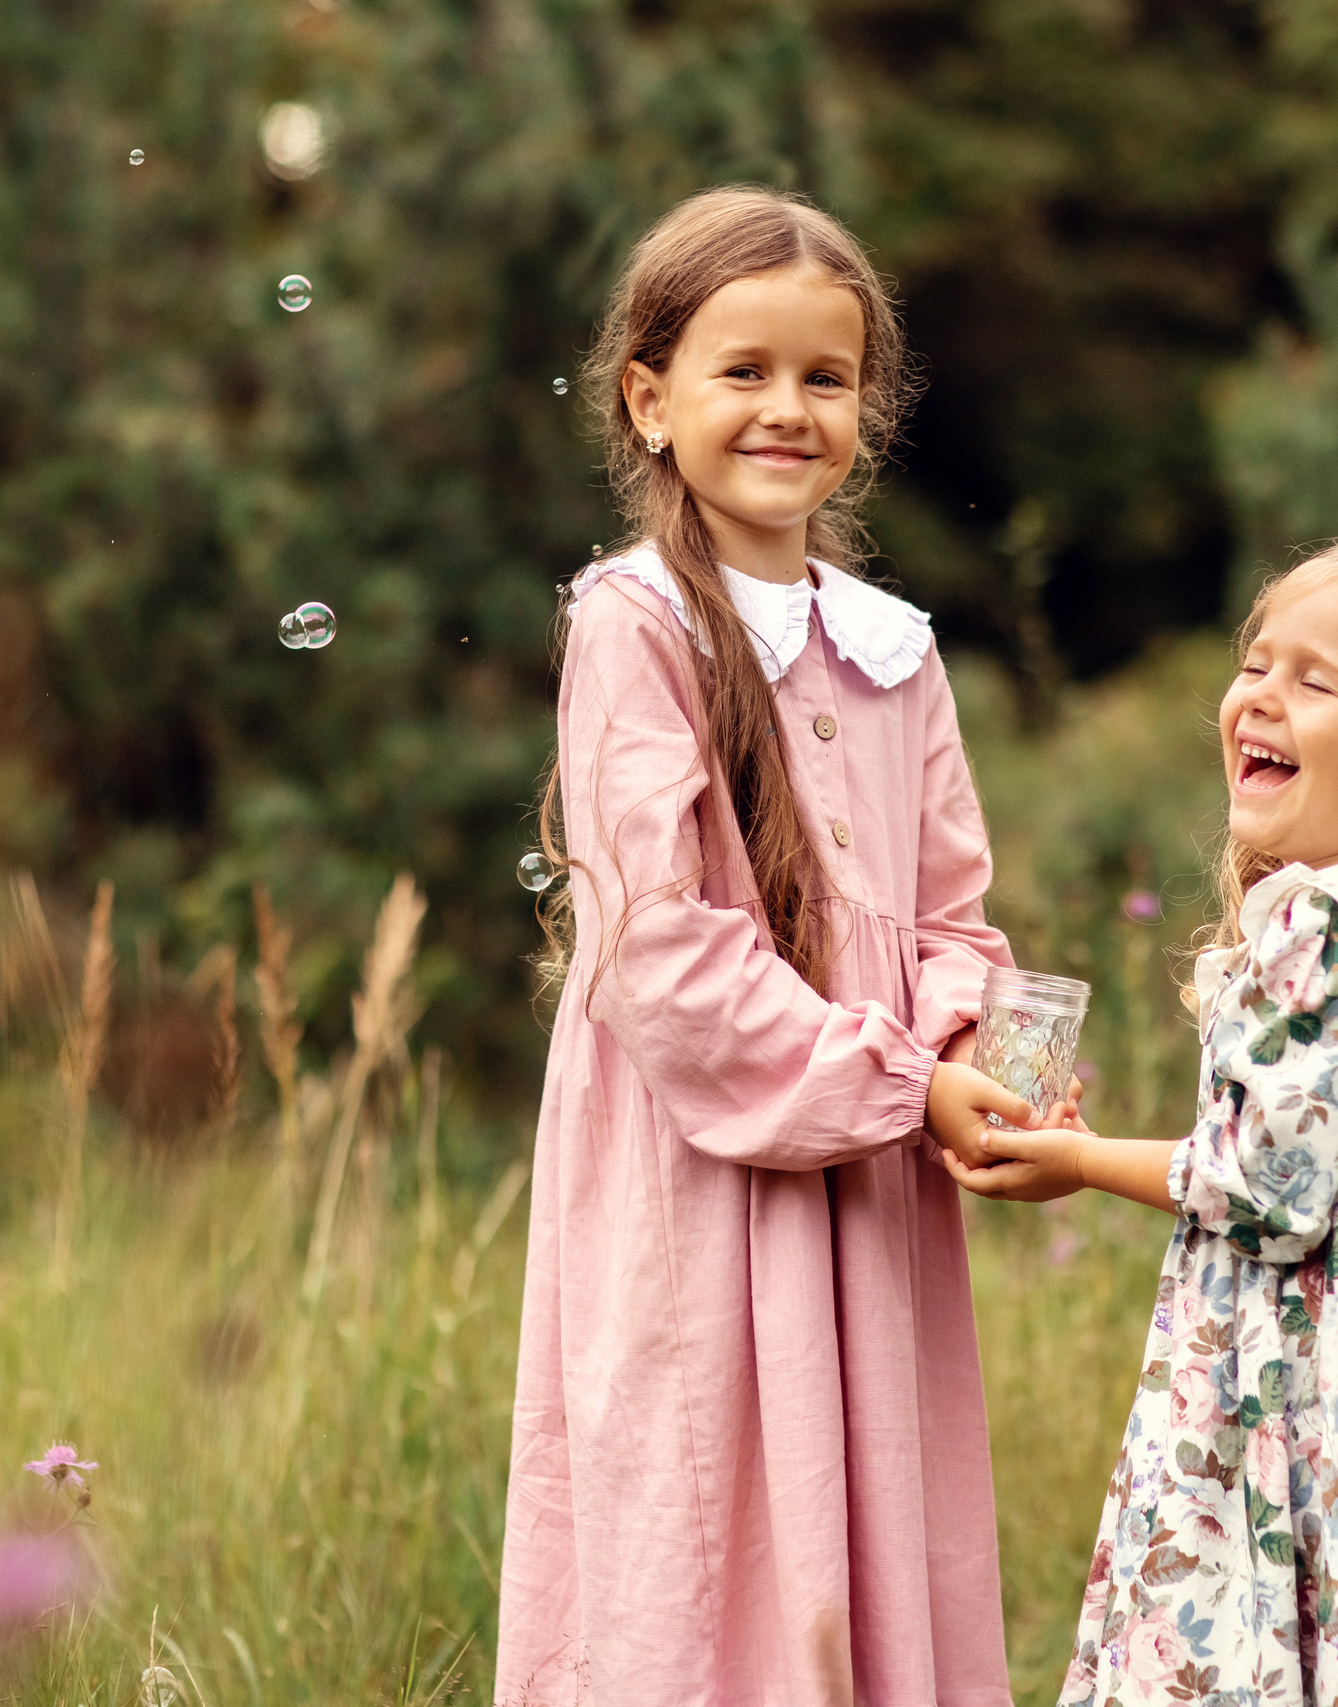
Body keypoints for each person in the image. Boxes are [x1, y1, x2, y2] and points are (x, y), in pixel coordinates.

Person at [496, 186, 1030, 1706]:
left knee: (868, 1532)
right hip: (705, 1167)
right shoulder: (635, 619)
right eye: (744, 371)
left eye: (826, 375)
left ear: (870, 402)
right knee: (708, 1520)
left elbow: (949, 914)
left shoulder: (895, 646)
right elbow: (661, 949)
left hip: (871, 1170)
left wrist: (972, 1045)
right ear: (650, 399)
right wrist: (892, 1078)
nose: (788, 408)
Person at [943, 538, 1338, 1705]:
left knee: (1250, 1639)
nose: (1259, 697)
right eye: (1255, 664)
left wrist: (1078, 1160)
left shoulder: (1327, 923)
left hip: (1302, 1383)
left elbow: (1268, 1191)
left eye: (1314, 680)